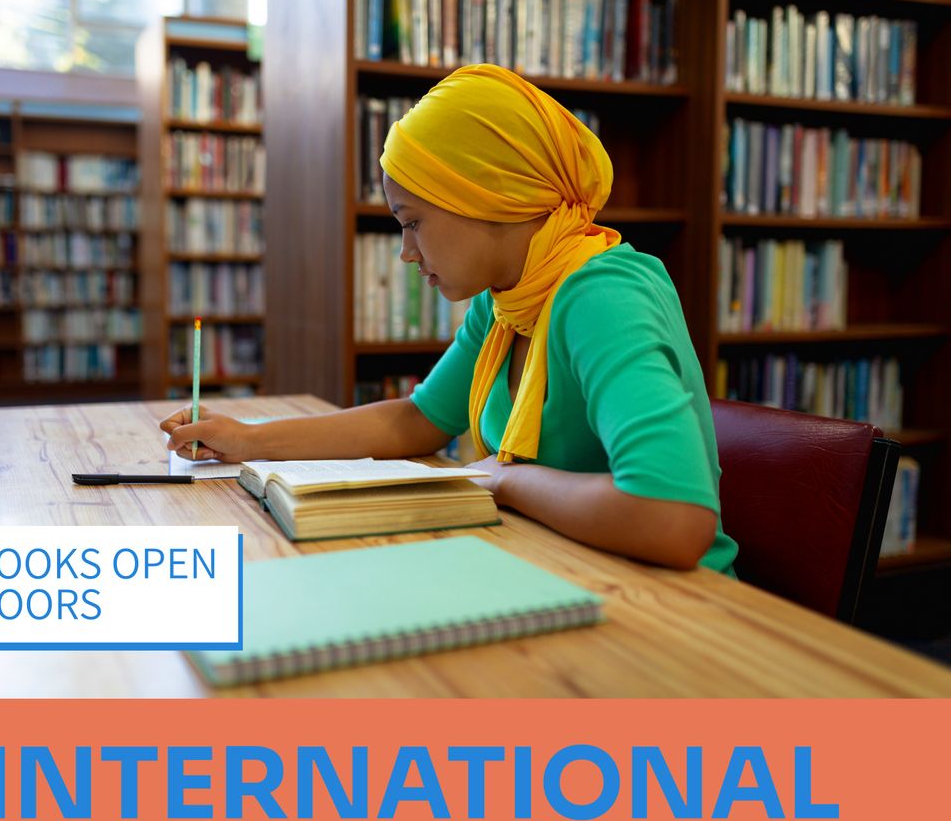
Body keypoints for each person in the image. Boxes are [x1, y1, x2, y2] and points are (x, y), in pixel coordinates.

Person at [163, 64, 738, 573]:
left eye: (412, 222)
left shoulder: (602, 297)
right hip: (558, 566)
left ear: (488, 197)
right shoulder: (504, 301)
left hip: (677, 611)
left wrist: (506, 479)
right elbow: (418, 420)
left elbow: (673, 518)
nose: (405, 253)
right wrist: (248, 440)